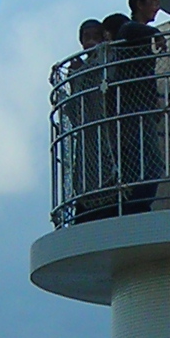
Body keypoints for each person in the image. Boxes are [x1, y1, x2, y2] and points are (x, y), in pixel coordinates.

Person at [109, 0, 165, 214]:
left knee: (141, 162)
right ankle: (138, 206)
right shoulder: (128, 30)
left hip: (141, 107)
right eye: (152, 2)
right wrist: (157, 34)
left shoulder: (135, 32)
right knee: (150, 163)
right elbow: (128, 29)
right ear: (139, 5)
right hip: (133, 109)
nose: (157, 6)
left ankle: (135, 205)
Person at [70, 17, 116, 220]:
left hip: (106, 130)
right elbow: (75, 112)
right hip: (88, 133)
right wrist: (75, 78)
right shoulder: (83, 68)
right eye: (86, 37)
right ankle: (84, 205)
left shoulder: (108, 59)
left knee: (106, 166)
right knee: (85, 170)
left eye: (94, 36)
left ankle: (106, 201)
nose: (89, 41)